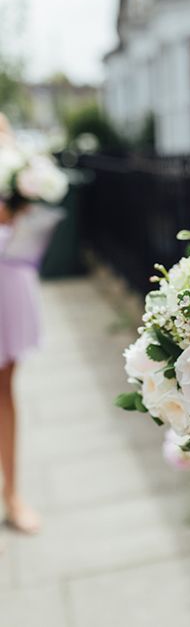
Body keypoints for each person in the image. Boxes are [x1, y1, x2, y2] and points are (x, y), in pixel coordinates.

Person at [0, 114, 42, 535]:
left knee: (4, 388)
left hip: (6, 271)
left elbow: (22, 207)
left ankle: (12, 494)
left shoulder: (3, 129)